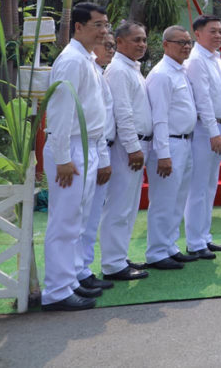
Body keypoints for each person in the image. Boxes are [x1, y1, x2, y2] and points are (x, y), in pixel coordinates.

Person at [41, 3, 111, 311]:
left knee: (78, 220)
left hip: (88, 145)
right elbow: (59, 113)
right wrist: (62, 158)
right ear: (78, 27)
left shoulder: (87, 59)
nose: (104, 31)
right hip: (70, 146)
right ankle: (57, 290)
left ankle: (70, 280)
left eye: (105, 25)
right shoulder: (71, 60)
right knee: (65, 222)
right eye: (97, 25)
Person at [97, 21, 152, 282]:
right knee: (119, 206)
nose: (141, 44)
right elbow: (123, 113)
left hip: (137, 144)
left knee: (128, 207)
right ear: (119, 42)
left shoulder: (131, 68)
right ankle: (112, 263)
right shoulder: (119, 70)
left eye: (143, 40)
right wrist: (133, 148)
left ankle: (119, 256)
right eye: (136, 40)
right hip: (127, 146)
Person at [144, 25, 199, 269]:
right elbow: (160, 117)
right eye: (180, 42)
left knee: (178, 199)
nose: (186, 47)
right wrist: (163, 154)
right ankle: (156, 252)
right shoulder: (162, 74)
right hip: (170, 145)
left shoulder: (181, 71)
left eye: (188, 42)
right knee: (164, 200)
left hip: (185, 141)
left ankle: (169, 245)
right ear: (166, 45)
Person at [183, 15, 221, 259]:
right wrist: (213, 133)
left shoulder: (216, 59)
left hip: (217, 127)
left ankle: (204, 236)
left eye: (220, 31)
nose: (218, 35)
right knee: (198, 188)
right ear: (198, 34)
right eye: (213, 31)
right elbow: (203, 100)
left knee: (210, 186)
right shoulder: (197, 60)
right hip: (204, 130)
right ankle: (194, 241)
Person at [75, 34, 115, 290]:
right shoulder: (79, 65)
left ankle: (84, 268)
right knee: (79, 218)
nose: (109, 49)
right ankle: (75, 272)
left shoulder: (99, 72)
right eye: (107, 45)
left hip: (101, 147)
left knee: (90, 217)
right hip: (86, 145)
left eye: (112, 45)